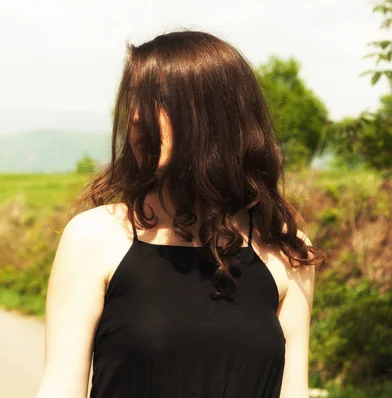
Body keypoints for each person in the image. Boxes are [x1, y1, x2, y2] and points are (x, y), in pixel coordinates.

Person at [36, 30, 326, 398]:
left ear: (215, 114)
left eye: (159, 100)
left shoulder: (284, 248)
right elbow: (60, 387)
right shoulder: (97, 237)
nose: (138, 117)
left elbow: (293, 392)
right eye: (135, 101)